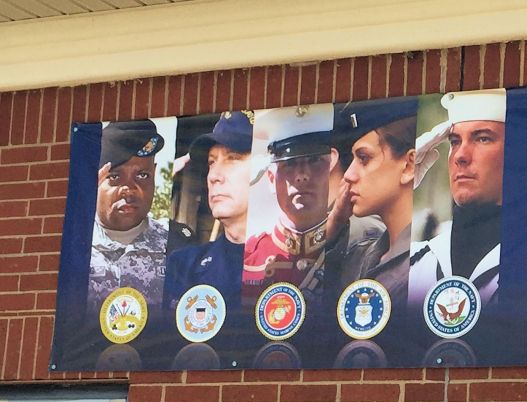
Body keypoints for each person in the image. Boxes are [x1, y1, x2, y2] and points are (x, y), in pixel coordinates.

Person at [408, 89, 505, 307]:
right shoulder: (418, 261)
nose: (460, 155)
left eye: (482, 138)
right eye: (454, 141)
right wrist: (398, 185)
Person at [325, 97, 418, 312]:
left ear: (408, 166)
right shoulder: (365, 255)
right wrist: (333, 227)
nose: (348, 175)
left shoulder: (427, 262)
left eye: (364, 158)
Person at [242, 105, 338, 306]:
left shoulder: (357, 249)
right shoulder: (248, 257)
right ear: (270, 178)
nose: (302, 175)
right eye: (290, 163)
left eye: (314, 160)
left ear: (331, 169)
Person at [163, 111, 253, 309]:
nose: (214, 176)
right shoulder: (183, 267)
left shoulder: (299, 263)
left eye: (233, 158)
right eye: (212, 162)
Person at [89, 120, 168, 310]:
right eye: (114, 177)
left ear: (154, 174)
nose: (129, 190)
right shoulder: (72, 245)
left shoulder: (177, 244)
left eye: (142, 176)